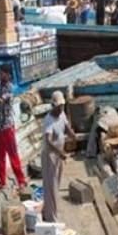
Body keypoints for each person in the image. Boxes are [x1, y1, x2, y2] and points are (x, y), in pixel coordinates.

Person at [0, 63, 27, 190]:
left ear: (8, 74)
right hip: (0, 126)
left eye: (3, 73)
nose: (0, 75)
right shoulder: (2, 86)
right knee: (0, 155)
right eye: (0, 72)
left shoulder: (9, 88)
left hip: (7, 126)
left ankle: (21, 180)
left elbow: (1, 101)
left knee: (12, 154)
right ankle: (2, 180)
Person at [41, 91, 75, 223]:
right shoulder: (48, 120)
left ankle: (48, 211)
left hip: (59, 153)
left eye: (62, 106)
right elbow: (48, 140)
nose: (61, 108)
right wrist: (59, 152)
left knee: (56, 184)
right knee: (51, 186)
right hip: (50, 154)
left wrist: (72, 134)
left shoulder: (62, 114)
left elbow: (66, 127)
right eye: (58, 106)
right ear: (53, 105)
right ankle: (52, 218)